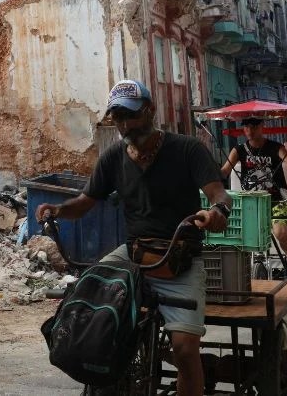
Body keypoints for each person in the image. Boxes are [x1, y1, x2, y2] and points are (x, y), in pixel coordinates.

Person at [36, 80, 231, 396]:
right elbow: (85, 202)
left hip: (179, 259)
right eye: (118, 118)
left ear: (150, 110)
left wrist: (217, 210)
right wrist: (58, 210)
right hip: (134, 254)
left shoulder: (187, 149)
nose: (126, 125)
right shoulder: (113, 157)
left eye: (131, 115)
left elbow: (218, 193)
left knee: (184, 350)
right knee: (89, 297)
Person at [220, 117, 287, 277]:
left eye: (253, 126)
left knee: (281, 233)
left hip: (277, 200)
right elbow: (224, 171)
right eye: (246, 127)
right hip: (252, 202)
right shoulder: (238, 150)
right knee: (245, 237)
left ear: (262, 126)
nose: (249, 130)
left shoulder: (275, 147)